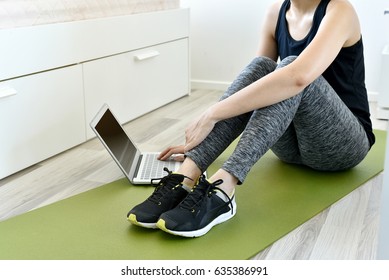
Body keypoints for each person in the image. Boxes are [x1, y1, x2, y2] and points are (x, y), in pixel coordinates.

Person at [127, 0, 375, 238]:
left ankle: (223, 191)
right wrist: (202, 147)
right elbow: (256, 87)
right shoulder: (275, 12)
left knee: (291, 70)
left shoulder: (340, 11)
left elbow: (298, 77)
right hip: (292, 149)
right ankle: (186, 176)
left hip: (342, 146)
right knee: (261, 68)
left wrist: (211, 113)